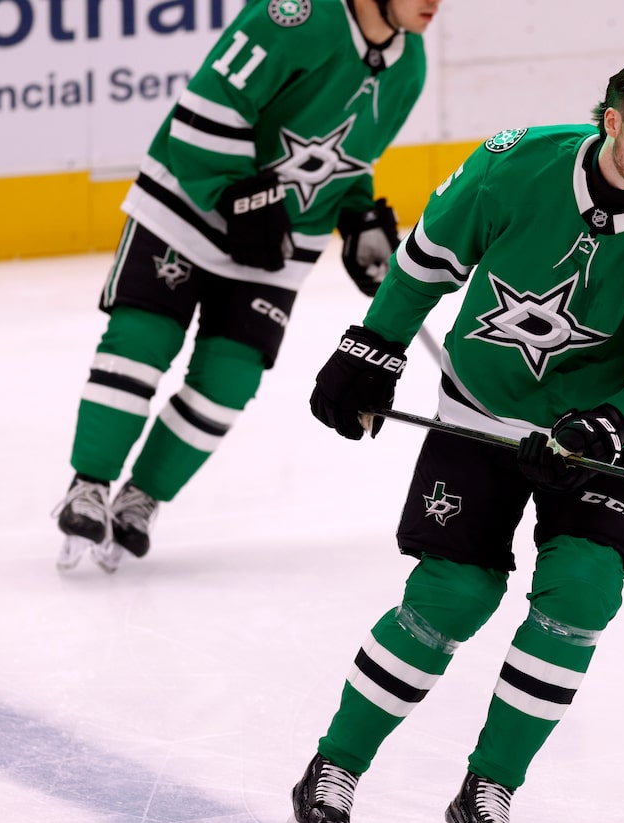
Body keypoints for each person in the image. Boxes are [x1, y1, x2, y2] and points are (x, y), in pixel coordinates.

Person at [282, 54, 624, 823]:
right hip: (480, 412)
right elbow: (425, 259)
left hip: (596, 442)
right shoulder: (512, 163)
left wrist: (608, 424)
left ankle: (488, 789)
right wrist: (372, 344)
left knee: (583, 594)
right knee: (452, 595)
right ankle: (333, 766)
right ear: (608, 118)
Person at [53, 0, 444, 572]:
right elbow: (208, 106)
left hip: (276, 242)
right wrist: (239, 196)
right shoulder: (297, 15)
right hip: (185, 209)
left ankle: (142, 497)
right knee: (141, 344)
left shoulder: (409, 65)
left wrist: (359, 219)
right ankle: (87, 485)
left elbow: (349, 161)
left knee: (228, 382)